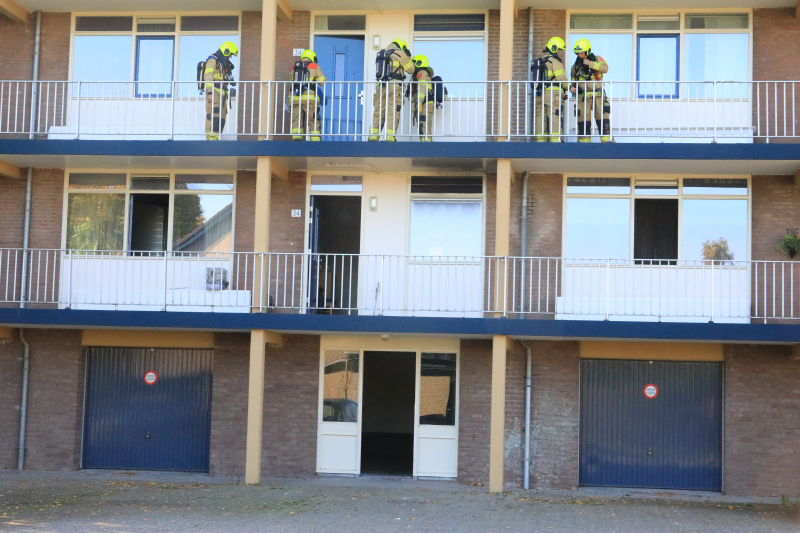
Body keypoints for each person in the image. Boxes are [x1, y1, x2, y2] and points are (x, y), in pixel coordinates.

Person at [368, 38, 415, 142]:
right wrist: (407, 56)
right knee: (393, 110)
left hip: (380, 86)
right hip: (393, 85)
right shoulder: (399, 53)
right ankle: (390, 137)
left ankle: (373, 136)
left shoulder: (382, 53)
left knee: (379, 110)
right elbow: (411, 69)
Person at [569, 38, 611, 143]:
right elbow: (574, 82)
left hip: (599, 96)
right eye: (578, 53)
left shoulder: (597, 59)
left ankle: (608, 146)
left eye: (582, 53)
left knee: (603, 121)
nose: (580, 56)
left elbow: (605, 68)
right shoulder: (575, 67)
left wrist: (590, 63)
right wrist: (572, 89)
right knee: (583, 123)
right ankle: (584, 146)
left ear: (587, 51)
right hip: (583, 98)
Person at [532, 37, 570, 143]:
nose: (559, 52)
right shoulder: (554, 61)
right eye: (558, 50)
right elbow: (560, 77)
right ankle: (555, 141)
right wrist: (569, 88)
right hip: (553, 94)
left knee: (541, 117)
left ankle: (541, 142)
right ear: (554, 48)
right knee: (555, 115)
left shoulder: (541, 61)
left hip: (540, 93)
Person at [290, 49, 327, 141]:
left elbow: (291, 82)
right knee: (313, 119)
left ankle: (296, 137)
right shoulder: (314, 66)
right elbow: (322, 82)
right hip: (309, 99)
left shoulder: (293, 67)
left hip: (295, 98)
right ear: (312, 58)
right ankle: (315, 140)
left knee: (296, 118)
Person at [204, 41, 237, 141]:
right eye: (230, 54)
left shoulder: (223, 64)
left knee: (221, 117)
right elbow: (208, 76)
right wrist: (210, 92)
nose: (230, 57)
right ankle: (210, 139)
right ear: (226, 51)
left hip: (222, 94)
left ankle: (216, 138)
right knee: (213, 115)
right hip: (214, 92)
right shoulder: (212, 60)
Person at [409, 55, 435, 142]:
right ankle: (425, 142)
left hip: (425, 102)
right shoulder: (419, 74)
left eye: (414, 63)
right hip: (424, 102)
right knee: (422, 126)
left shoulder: (422, 73)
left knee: (424, 124)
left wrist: (419, 102)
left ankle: (427, 145)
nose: (413, 65)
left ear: (419, 63)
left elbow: (422, 88)